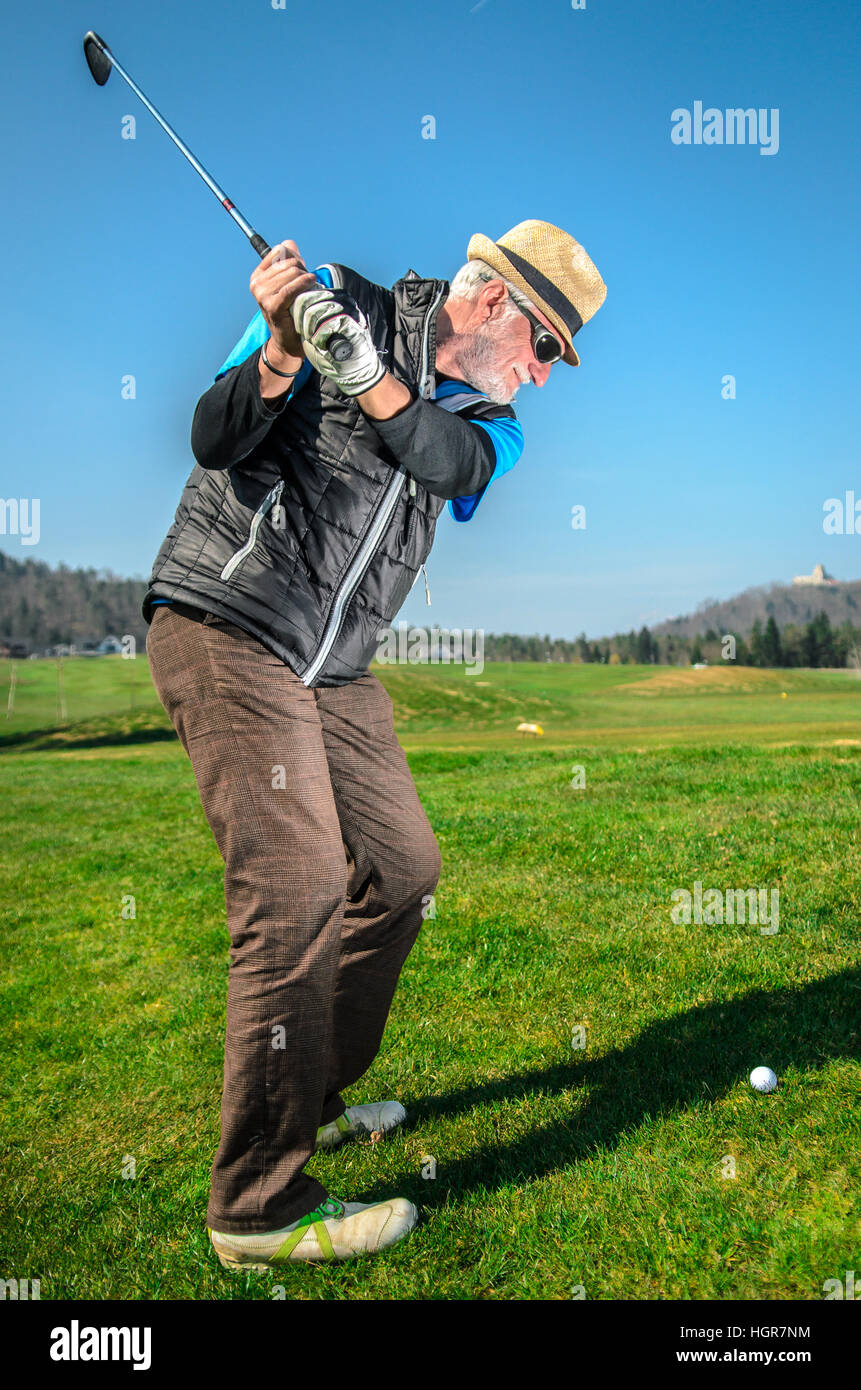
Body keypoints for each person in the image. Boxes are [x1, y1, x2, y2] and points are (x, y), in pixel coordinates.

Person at [143, 219, 607, 1267]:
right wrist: (282, 350)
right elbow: (212, 437)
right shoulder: (331, 294)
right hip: (228, 619)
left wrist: (374, 382)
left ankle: (312, 1092)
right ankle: (256, 1206)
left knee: (403, 869)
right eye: (544, 350)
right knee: (299, 881)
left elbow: (447, 464)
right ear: (495, 305)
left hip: (334, 666)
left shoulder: (491, 423)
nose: (540, 377)